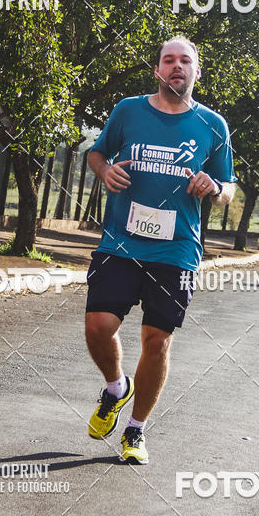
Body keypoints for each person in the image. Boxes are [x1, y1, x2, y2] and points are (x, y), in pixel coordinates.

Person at [85, 36, 237, 464]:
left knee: (156, 340)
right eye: (168, 60)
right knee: (98, 326)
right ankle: (116, 387)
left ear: (196, 71)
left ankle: (135, 431)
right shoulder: (128, 110)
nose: (176, 67)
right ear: (157, 70)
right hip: (120, 241)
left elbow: (228, 188)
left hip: (176, 250)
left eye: (184, 60)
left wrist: (215, 187)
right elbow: (96, 155)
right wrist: (106, 170)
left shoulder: (213, 125)